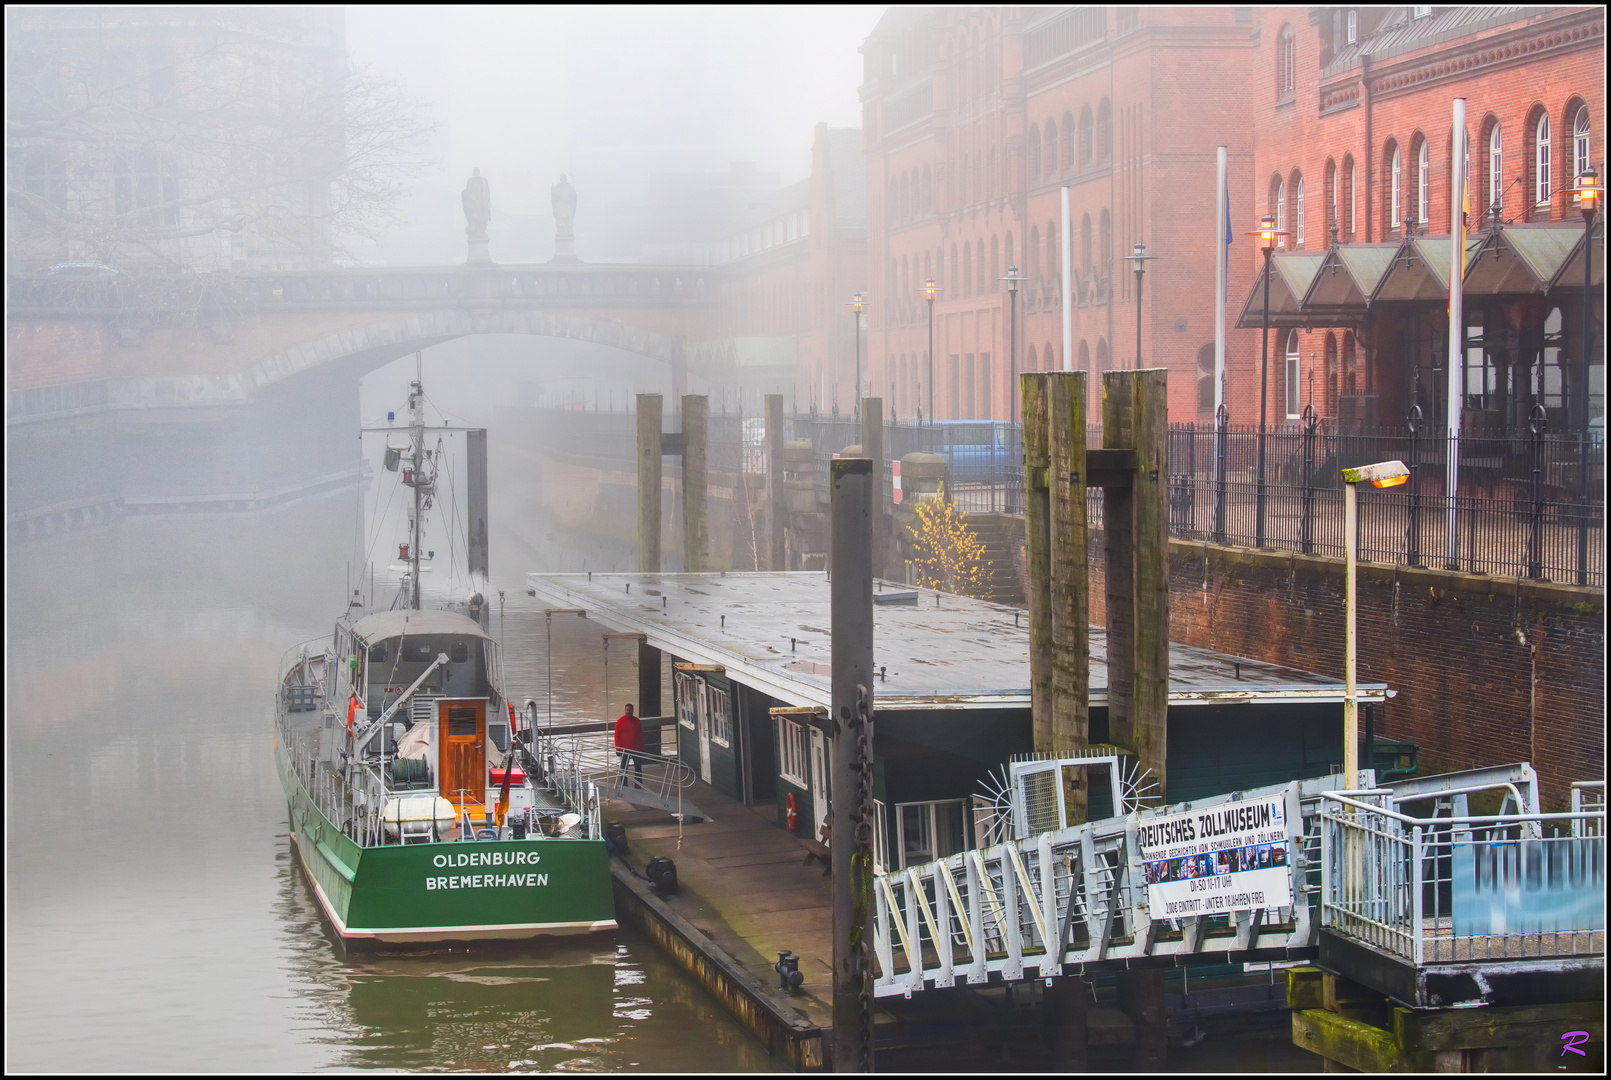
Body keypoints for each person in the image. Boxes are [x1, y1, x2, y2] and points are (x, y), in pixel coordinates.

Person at [614, 703, 644, 788]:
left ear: (633, 711)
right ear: (625, 710)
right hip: (624, 749)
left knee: (638, 768)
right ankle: (624, 785)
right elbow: (617, 736)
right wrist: (618, 749)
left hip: (636, 749)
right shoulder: (620, 721)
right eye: (627, 710)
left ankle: (638, 786)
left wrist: (642, 747)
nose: (628, 712)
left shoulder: (637, 721)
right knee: (624, 768)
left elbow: (640, 735)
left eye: (630, 710)